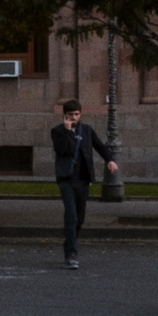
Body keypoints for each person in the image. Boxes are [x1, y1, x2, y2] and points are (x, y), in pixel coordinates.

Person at [49, 98, 118, 269]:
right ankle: (71, 254)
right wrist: (67, 131)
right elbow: (63, 150)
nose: (73, 118)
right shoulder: (57, 131)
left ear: (81, 114)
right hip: (66, 179)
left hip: (83, 180)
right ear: (64, 115)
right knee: (71, 217)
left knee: (79, 218)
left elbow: (100, 146)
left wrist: (110, 160)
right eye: (70, 115)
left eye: (76, 114)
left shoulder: (86, 130)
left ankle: (69, 244)